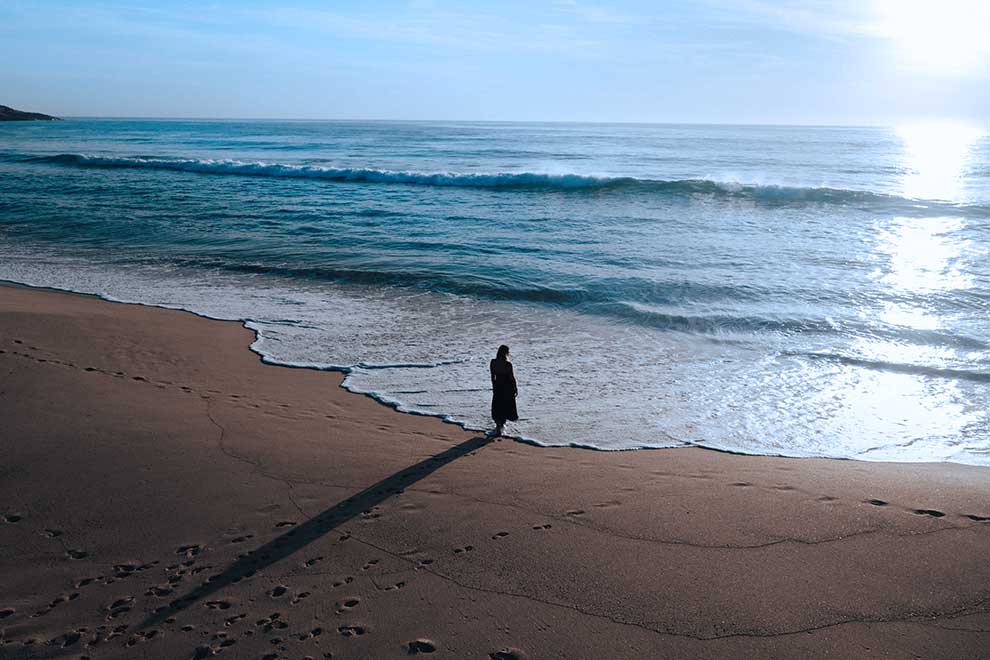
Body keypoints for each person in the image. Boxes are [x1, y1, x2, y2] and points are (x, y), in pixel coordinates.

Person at [490, 344, 518, 436]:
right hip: (507, 386)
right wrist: (515, 387)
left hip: (498, 385)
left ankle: (498, 426)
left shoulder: (493, 362)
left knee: (497, 406)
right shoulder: (508, 364)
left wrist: (494, 386)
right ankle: (501, 427)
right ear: (506, 353)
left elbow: (492, 376)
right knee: (505, 406)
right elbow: (511, 377)